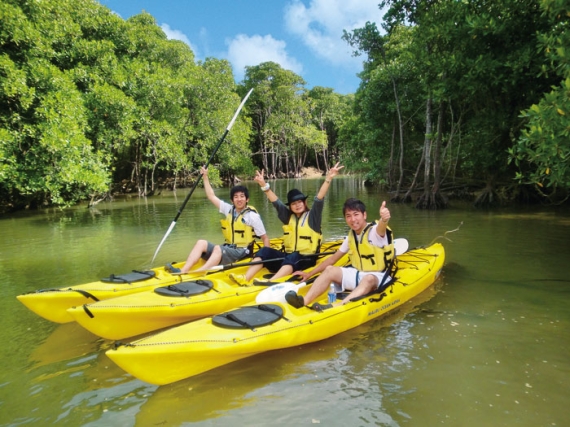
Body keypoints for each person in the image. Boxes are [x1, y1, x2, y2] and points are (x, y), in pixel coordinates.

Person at [229, 162, 344, 284]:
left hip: (306, 259)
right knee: (265, 251)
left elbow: (319, 199)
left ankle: (270, 282)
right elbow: (276, 202)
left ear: (304, 203)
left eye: (300, 202)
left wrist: (328, 179)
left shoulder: (313, 217)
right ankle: (245, 278)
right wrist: (263, 185)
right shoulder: (289, 217)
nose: (297, 205)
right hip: (288, 258)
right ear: (291, 207)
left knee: (293, 257)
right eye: (294, 204)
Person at [285, 198, 394, 308]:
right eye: (348, 216)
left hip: (378, 277)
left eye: (356, 214)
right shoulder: (350, 237)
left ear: (364, 215)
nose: (353, 219)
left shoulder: (375, 231)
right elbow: (332, 259)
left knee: (369, 278)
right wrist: (309, 274)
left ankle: (339, 305)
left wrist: (384, 219)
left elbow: (381, 227)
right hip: (358, 274)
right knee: (329, 270)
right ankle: (304, 301)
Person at [165, 166, 270, 275]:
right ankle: (183, 270)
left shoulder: (252, 216)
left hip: (243, 252)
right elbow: (211, 196)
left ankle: (200, 272)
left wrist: (266, 255)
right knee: (201, 243)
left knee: (218, 249)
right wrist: (205, 176)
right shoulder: (229, 209)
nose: (239, 199)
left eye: (242, 196)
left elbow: (265, 238)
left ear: (247, 199)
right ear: (232, 200)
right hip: (228, 248)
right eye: (236, 197)